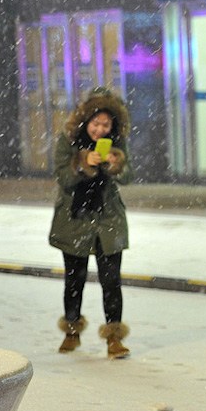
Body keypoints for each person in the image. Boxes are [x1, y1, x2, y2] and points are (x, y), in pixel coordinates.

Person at [49, 87, 133, 359]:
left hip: (108, 221)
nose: (100, 129)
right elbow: (63, 177)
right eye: (96, 123)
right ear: (87, 121)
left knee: (112, 282)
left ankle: (114, 339)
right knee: (75, 280)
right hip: (74, 220)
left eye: (106, 124)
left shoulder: (116, 142)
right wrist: (82, 161)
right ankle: (71, 332)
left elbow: (129, 175)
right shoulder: (69, 140)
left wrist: (115, 163)